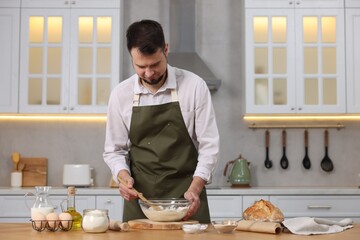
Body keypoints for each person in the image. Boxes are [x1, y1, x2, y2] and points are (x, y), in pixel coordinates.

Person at [103, 19, 219, 223]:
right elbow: (114, 150)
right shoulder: (121, 94)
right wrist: (122, 176)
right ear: (131, 56)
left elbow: (209, 146)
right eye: (140, 66)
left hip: (186, 199)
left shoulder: (194, 87)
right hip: (141, 201)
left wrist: (196, 187)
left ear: (165, 49)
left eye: (155, 64)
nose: (148, 73)